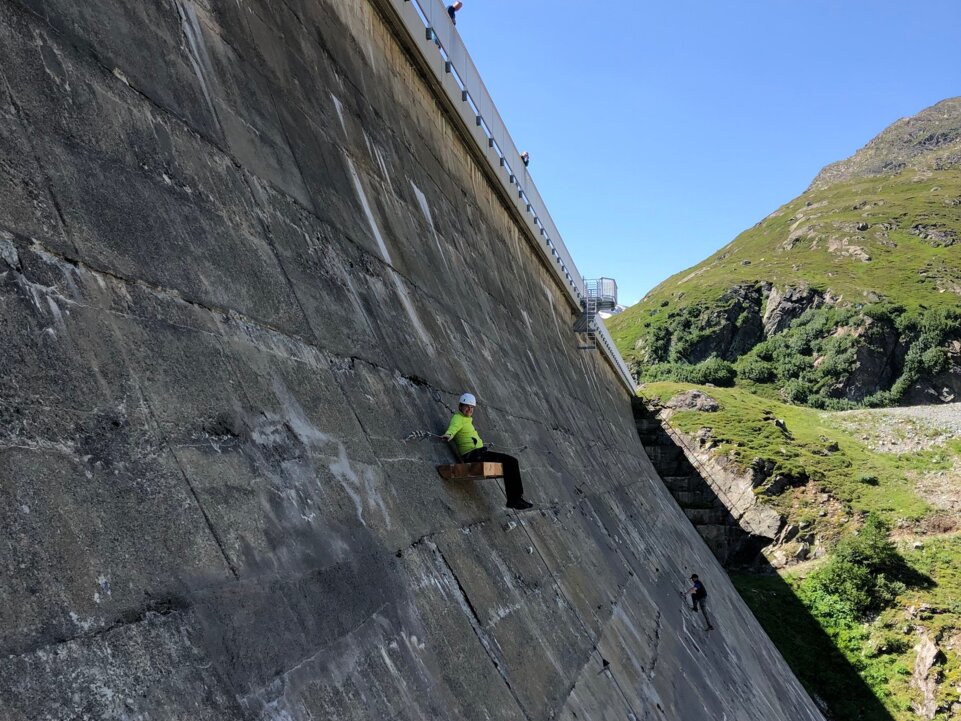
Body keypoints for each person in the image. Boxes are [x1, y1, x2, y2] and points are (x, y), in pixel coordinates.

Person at [441, 393, 533, 510]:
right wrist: (448, 435)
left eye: (472, 407)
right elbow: (453, 428)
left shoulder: (466, 419)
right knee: (511, 462)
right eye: (467, 406)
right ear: (461, 406)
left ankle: (515, 498)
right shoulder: (458, 418)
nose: (469, 409)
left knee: (511, 463)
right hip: (474, 455)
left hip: (479, 453)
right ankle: (514, 499)